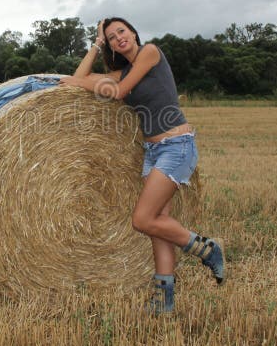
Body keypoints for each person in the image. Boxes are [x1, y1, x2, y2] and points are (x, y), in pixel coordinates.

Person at [59, 17, 225, 314]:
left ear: (133, 33)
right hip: (152, 151)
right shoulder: (121, 72)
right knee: (158, 226)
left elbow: (119, 92)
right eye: (111, 37)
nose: (118, 38)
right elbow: (78, 79)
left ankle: (207, 248)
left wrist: (83, 82)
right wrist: (95, 45)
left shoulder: (150, 52)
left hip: (177, 146)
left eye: (121, 31)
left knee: (142, 219)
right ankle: (164, 300)